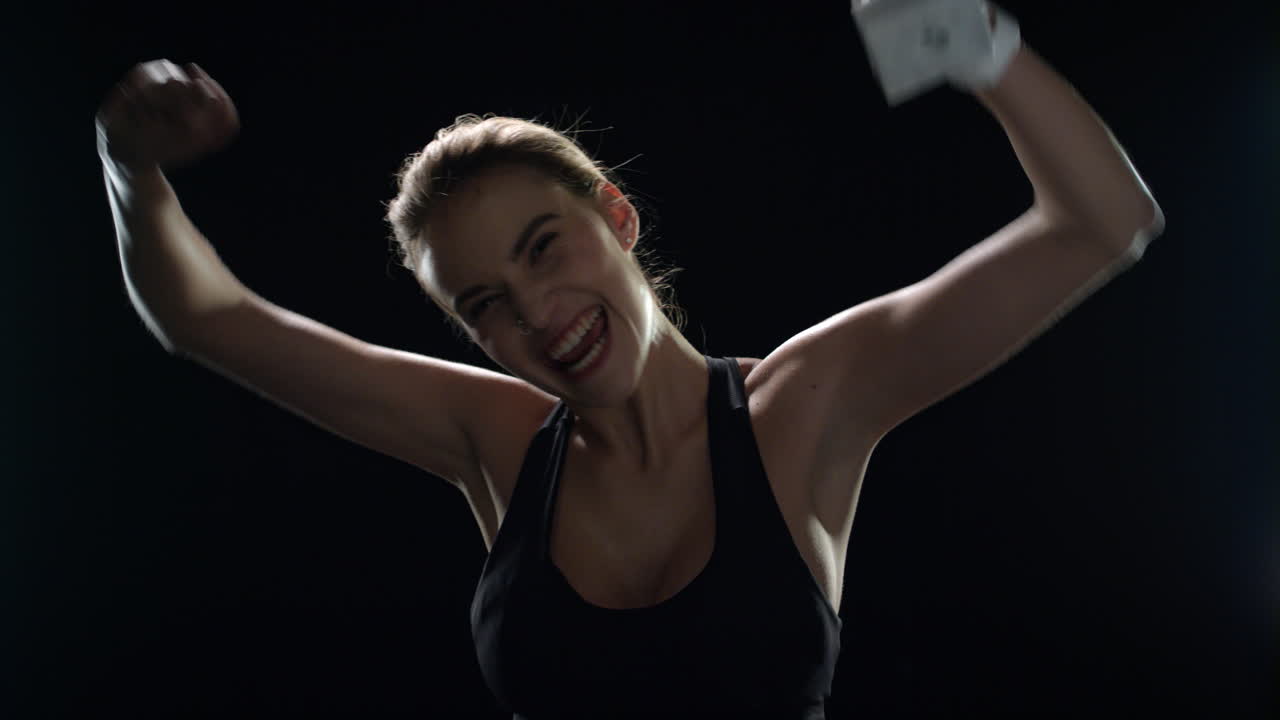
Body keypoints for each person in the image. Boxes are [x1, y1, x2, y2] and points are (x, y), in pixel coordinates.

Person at [95, 4, 1163, 717]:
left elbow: (1102, 222)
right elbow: (206, 319)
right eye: (485, 305)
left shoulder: (800, 407)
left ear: (616, 217)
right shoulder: (497, 444)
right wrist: (129, 167)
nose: (537, 315)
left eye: (543, 248)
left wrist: (961, 34)